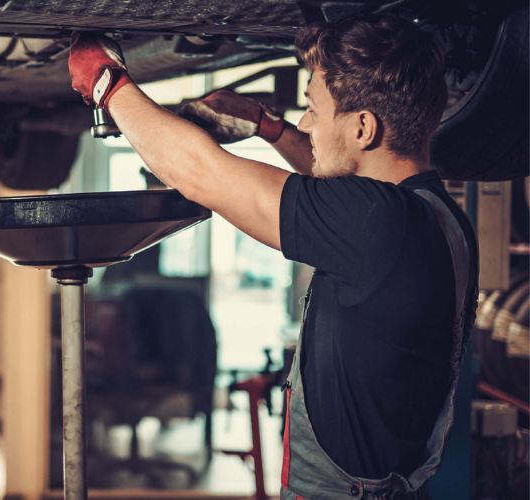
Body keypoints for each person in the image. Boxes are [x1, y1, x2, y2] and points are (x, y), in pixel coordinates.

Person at [68, 14, 478, 499]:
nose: (307, 123)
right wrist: (268, 127)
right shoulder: (434, 215)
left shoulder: (375, 223)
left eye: (314, 111)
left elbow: (199, 172)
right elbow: (339, 182)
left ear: (364, 127)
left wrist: (106, 84)